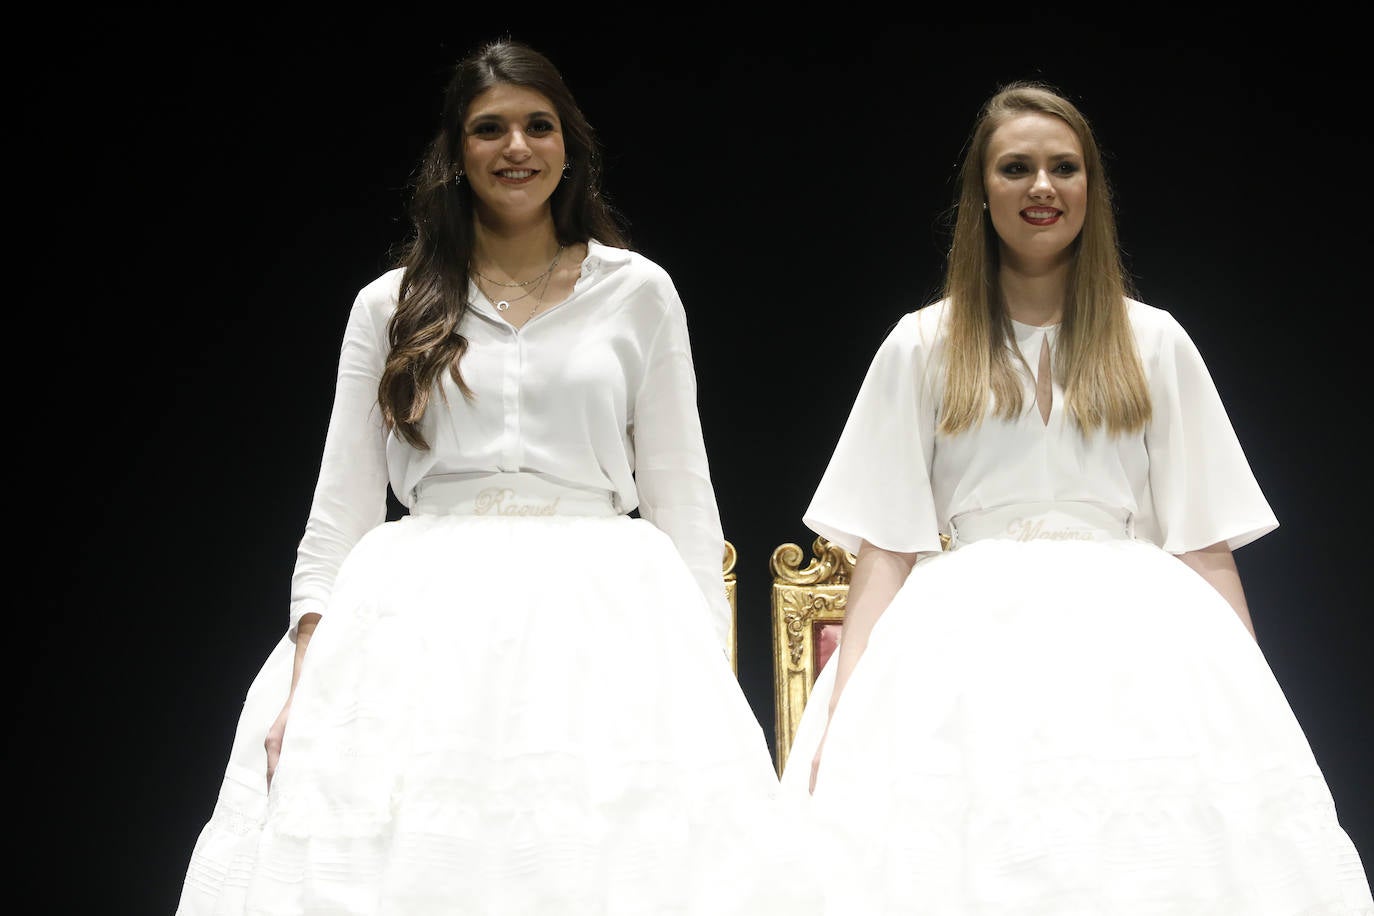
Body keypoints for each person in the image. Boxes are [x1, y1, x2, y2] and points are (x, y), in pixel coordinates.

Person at [177, 38, 811, 916]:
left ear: (569, 146)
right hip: (418, 618)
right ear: (456, 152)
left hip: (602, 612)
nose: (516, 148)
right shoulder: (389, 304)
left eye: (537, 126)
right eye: (490, 129)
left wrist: (702, 676)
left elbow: (683, 498)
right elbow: (341, 508)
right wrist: (301, 681)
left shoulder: (639, 293)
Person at [780, 80, 1374, 913]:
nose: (1042, 188)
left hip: (1135, 641)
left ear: (1091, 191)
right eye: (1016, 168)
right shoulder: (921, 344)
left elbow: (1204, 545)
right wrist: (841, 723)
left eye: (1064, 168)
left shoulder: (1154, 341)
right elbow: (886, 547)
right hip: (962, 646)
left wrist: (1251, 703)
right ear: (982, 194)